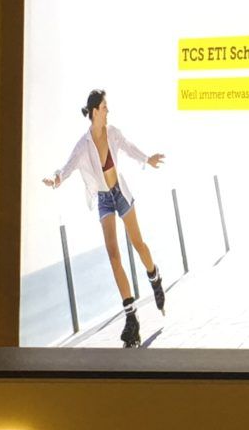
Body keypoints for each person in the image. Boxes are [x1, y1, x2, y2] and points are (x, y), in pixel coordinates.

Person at [44, 89, 168, 347]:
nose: (108, 111)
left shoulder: (112, 133)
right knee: (113, 256)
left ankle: (154, 276)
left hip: (120, 193)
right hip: (103, 200)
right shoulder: (83, 144)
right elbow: (68, 167)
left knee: (138, 244)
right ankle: (131, 318)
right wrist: (56, 179)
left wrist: (147, 159)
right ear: (94, 112)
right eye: (104, 108)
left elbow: (129, 147)